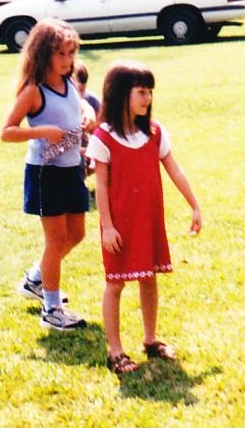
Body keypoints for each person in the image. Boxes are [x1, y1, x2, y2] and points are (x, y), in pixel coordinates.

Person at [85, 61, 202, 374]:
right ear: (121, 93)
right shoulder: (103, 138)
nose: (147, 98)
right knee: (115, 284)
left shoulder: (154, 132)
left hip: (148, 220)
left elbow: (174, 169)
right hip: (120, 225)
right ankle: (115, 351)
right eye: (141, 92)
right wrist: (107, 227)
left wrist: (194, 204)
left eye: (150, 92)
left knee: (149, 278)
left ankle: (150, 339)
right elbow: (101, 186)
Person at [1, 18, 93, 330]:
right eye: (61, 54)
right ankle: (51, 309)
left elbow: (80, 106)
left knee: (76, 234)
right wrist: (42, 131)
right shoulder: (33, 91)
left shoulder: (69, 83)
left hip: (71, 169)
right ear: (43, 54)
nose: (67, 60)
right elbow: (7, 131)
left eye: (71, 53)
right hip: (46, 173)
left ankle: (35, 279)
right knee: (56, 240)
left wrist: (87, 112)